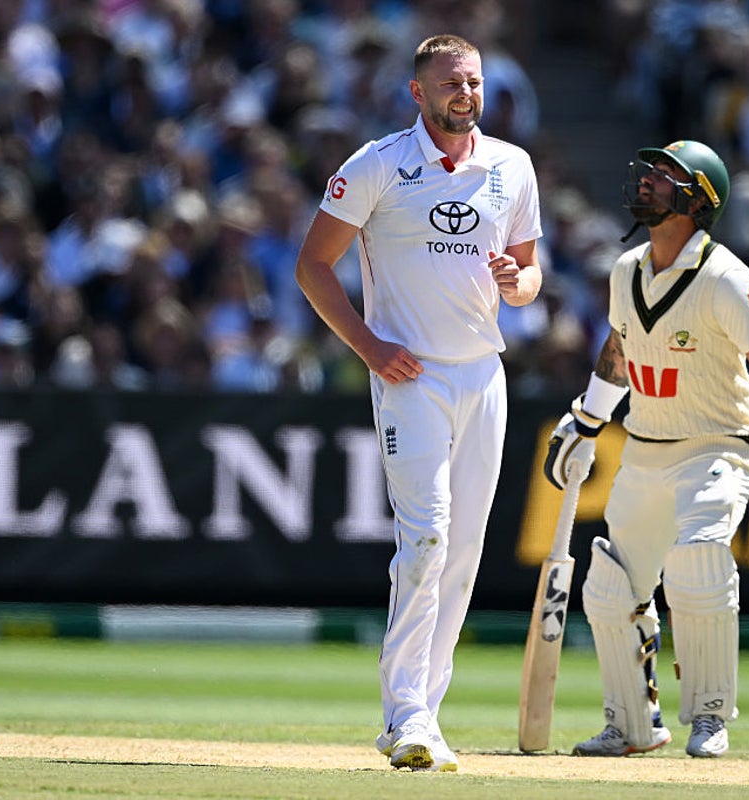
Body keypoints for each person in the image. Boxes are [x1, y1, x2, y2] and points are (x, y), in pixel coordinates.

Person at [544, 140, 749, 759]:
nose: (649, 181)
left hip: (720, 446)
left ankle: (710, 716)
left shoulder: (726, 279)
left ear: (697, 201)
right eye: (651, 171)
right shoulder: (625, 269)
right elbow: (619, 348)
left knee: (699, 560)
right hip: (646, 447)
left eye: (667, 176)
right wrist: (588, 419)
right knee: (609, 588)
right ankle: (632, 725)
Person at [294, 34, 543, 772]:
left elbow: (530, 275)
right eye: (450, 83)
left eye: (474, 82)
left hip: (483, 375)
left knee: (462, 554)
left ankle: (426, 715)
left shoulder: (512, 166)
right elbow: (313, 266)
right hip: (411, 376)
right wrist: (369, 348)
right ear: (418, 92)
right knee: (426, 539)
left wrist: (516, 283)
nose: (465, 94)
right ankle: (404, 715)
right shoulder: (377, 164)